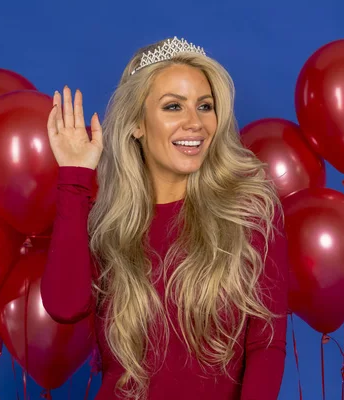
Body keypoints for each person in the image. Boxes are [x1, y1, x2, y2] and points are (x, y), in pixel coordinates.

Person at [41, 36, 289, 400]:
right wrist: (75, 176)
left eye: (205, 106)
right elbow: (64, 306)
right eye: (173, 107)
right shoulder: (106, 225)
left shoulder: (250, 212)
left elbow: (267, 346)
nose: (195, 123)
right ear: (137, 124)